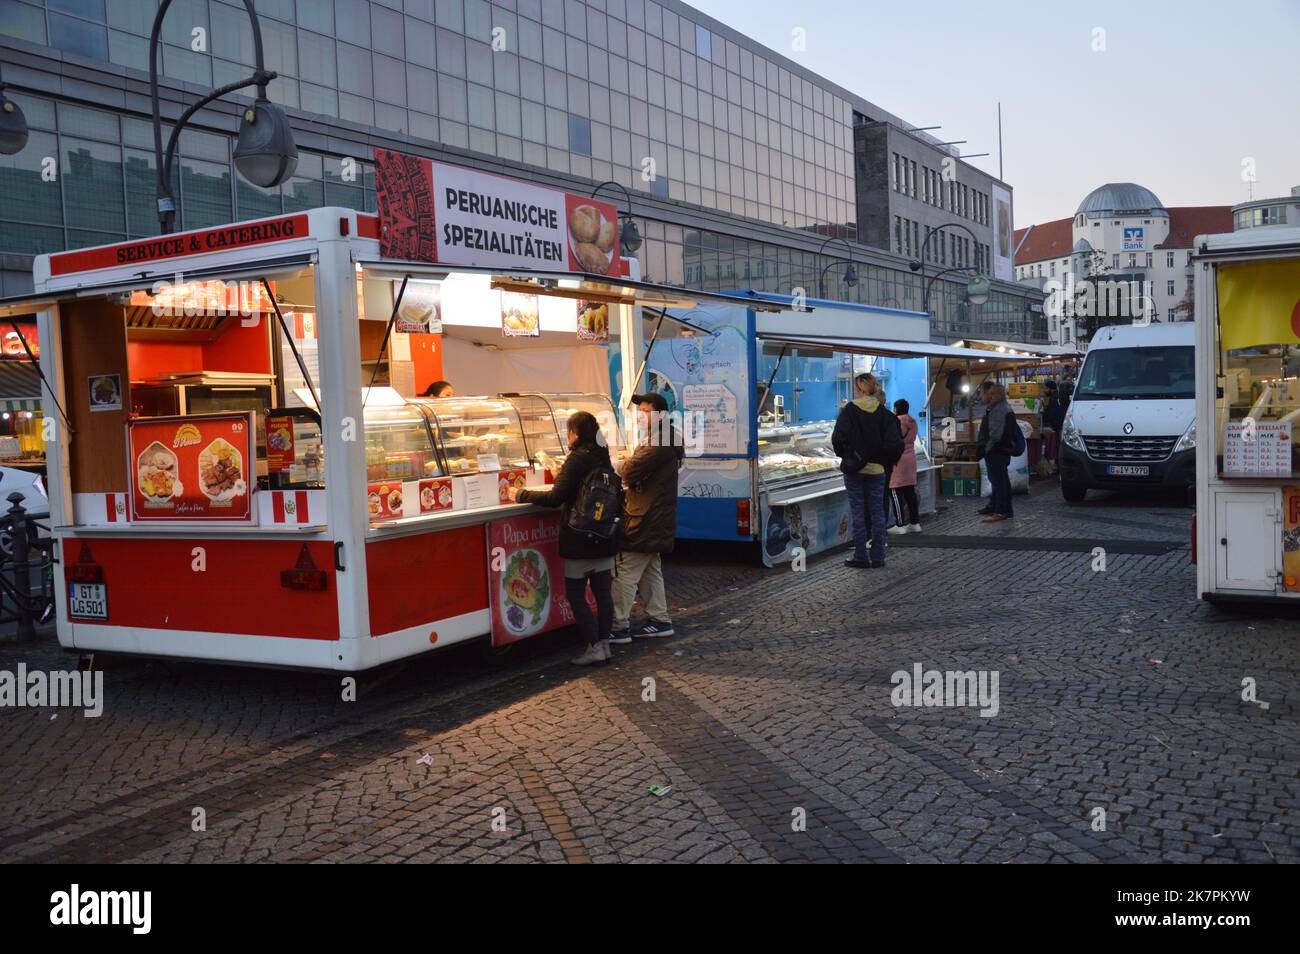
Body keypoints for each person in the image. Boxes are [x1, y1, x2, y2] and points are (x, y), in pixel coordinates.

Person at [509, 411, 617, 666]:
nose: (566, 436)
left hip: (580, 537)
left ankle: (593, 647)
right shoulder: (603, 455)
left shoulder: (576, 459)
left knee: (576, 593)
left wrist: (520, 494)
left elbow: (555, 498)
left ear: (575, 434)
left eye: (568, 431)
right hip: (604, 534)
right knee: (603, 593)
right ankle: (605, 644)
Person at [610, 392, 684, 642]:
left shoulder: (661, 441)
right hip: (654, 516)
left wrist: (617, 463)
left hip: (646, 517)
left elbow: (630, 470)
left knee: (625, 570)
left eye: (645, 411)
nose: (640, 416)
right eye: (639, 411)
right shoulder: (661, 437)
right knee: (651, 569)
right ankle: (660, 621)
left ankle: (618, 626)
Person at [831, 372, 902, 568]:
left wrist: (848, 456)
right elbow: (895, 443)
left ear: (857, 388)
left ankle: (861, 556)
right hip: (877, 470)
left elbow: (837, 439)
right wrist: (885, 461)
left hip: (855, 470)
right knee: (878, 512)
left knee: (858, 512)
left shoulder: (849, 410)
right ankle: (878, 556)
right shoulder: (884, 413)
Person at [977, 381, 1018, 523]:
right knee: (998, 480)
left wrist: (987, 449)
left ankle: (1002, 511)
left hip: (997, 451)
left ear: (996, 394)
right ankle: (996, 506)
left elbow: (996, 434)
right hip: (1000, 450)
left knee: (1000, 481)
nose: (988, 396)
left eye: (992, 393)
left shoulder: (999, 409)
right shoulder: (997, 407)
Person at [887, 398, 922, 534]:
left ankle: (900, 525)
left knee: (894, 490)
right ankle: (915, 523)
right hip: (911, 458)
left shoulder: (895, 422)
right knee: (909, 492)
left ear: (896, 409)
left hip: (898, 459)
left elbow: (892, 441)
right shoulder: (913, 422)